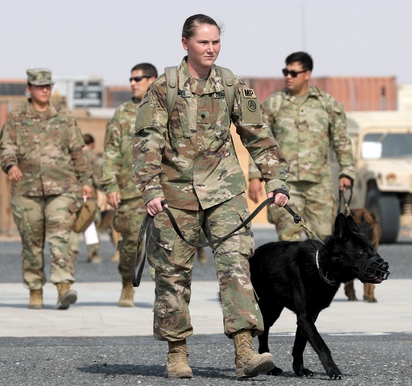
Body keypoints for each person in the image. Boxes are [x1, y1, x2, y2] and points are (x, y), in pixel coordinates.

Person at [133, 14, 290, 379]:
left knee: (237, 266)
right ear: (185, 43)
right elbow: (147, 142)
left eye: (216, 41)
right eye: (204, 42)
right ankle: (177, 352)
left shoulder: (232, 84)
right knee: (172, 275)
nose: (211, 49)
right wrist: (150, 189)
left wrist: (275, 180)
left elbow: (258, 135)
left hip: (224, 190)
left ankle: (245, 351)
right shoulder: (164, 87)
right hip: (175, 195)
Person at [0, 68, 94, 311]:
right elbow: (6, 147)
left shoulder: (64, 118)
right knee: (32, 243)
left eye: (48, 86)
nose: (44, 90)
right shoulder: (16, 118)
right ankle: (35, 290)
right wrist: (10, 167)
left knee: (61, 237)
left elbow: (77, 152)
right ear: (28, 89)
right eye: (39, 86)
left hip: (62, 188)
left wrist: (86, 181)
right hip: (26, 190)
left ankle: (63, 288)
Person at [248, 51, 355, 242]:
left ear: (307, 74)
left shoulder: (326, 104)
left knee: (324, 240)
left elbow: (341, 140)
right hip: (285, 186)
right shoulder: (274, 103)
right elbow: (259, 140)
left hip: (318, 185)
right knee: (289, 242)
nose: (288, 77)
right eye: (285, 72)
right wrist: (255, 176)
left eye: (294, 73)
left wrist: (346, 172)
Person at [100, 62, 156, 308]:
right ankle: (126, 283)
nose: (133, 83)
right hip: (131, 190)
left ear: (152, 80)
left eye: (139, 78)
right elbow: (111, 151)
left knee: (167, 244)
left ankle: (166, 295)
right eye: (131, 79)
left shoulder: (170, 110)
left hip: (166, 190)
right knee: (131, 244)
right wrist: (110, 185)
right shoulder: (122, 113)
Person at [81, 133, 117, 264]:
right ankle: (93, 253)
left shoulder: (73, 156)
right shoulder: (92, 157)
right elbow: (100, 176)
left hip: (71, 195)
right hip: (89, 196)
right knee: (91, 224)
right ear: (92, 145)